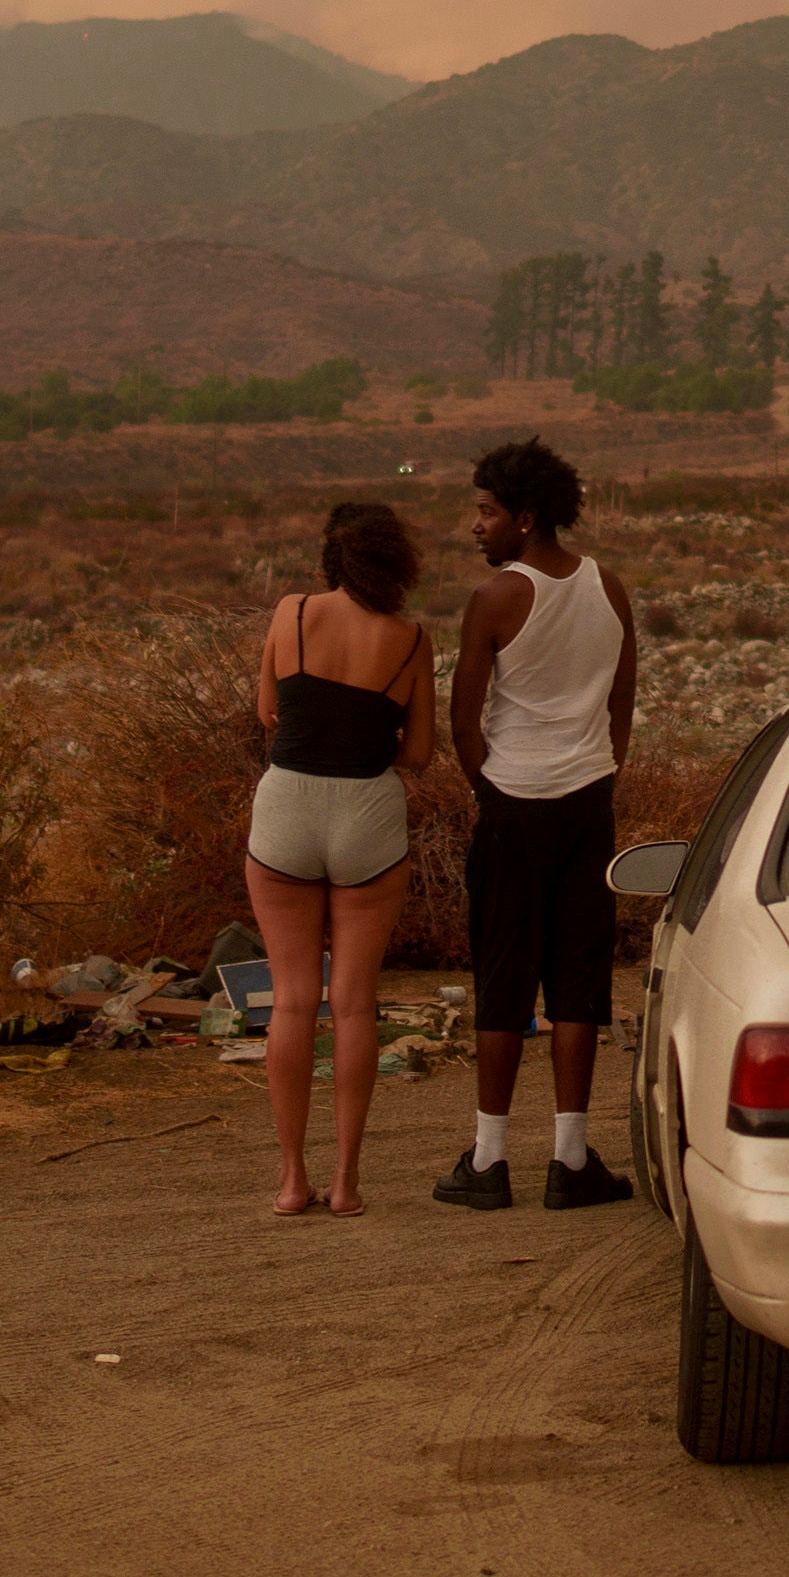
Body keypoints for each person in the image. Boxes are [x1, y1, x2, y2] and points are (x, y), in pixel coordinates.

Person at [433, 435, 641, 1212]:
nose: (475, 526)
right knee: (578, 982)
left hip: (513, 805)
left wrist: (497, 786)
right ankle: (571, 1157)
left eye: (486, 512)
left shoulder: (496, 599)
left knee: (504, 977)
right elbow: (622, 703)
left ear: (524, 517)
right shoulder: (609, 588)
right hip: (589, 802)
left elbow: (464, 724)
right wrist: (595, 768)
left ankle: (488, 1162)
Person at [245, 499, 435, 1217]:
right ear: (395, 563)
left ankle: (292, 1181)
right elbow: (418, 753)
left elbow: (269, 713)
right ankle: (347, 1182)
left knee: (293, 1002)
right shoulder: (411, 639)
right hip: (366, 814)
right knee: (354, 1005)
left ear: (331, 557)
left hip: (287, 806)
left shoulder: (291, 613)